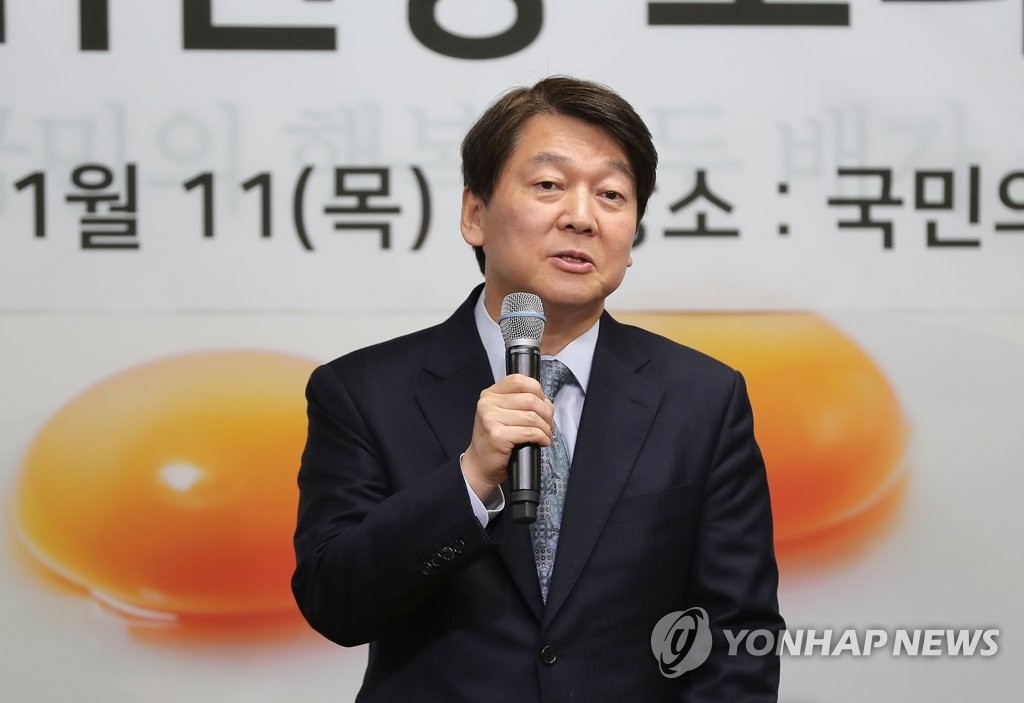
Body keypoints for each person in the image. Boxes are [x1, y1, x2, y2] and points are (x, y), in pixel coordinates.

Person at [292, 75, 784, 701]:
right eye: (549, 185)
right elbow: (335, 603)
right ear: (475, 215)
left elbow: (738, 634)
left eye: (611, 194)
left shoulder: (703, 399)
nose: (581, 217)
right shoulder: (362, 392)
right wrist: (469, 481)